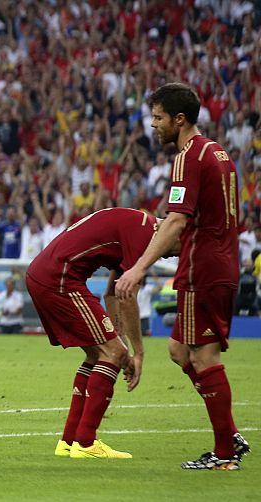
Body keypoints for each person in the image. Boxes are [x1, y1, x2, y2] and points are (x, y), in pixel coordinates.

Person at [116, 83, 250, 470]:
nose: (153, 125)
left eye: (158, 118)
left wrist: (138, 268)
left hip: (202, 269)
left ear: (179, 119)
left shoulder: (188, 156)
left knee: (205, 359)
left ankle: (225, 455)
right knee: (179, 351)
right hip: (220, 262)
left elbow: (176, 220)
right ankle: (230, 436)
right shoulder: (218, 152)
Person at [26, 207, 167, 460]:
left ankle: (69, 441)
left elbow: (112, 292)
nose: (168, 257)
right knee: (113, 353)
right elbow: (128, 296)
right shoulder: (145, 234)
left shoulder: (139, 224)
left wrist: (119, 339)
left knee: (99, 355)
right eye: (175, 249)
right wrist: (137, 352)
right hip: (60, 279)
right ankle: (87, 442)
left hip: (45, 274)